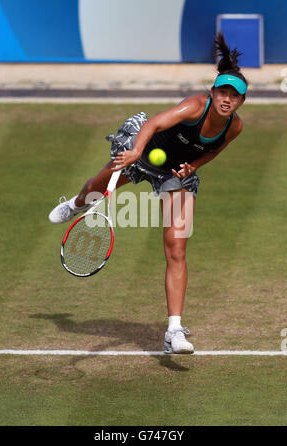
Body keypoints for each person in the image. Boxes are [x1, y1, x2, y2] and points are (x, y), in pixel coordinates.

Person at [48, 32, 247, 354]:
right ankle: (74, 205)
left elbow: (213, 151)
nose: (227, 99)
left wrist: (193, 166)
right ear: (213, 93)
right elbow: (153, 124)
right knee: (92, 191)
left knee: (177, 250)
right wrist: (133, 152)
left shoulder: (234, 127)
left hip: (175, 175)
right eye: (222, 92)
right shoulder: (195, 106)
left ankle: (174, 330)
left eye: (233, 96)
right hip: (142, 155)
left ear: (240, 102)